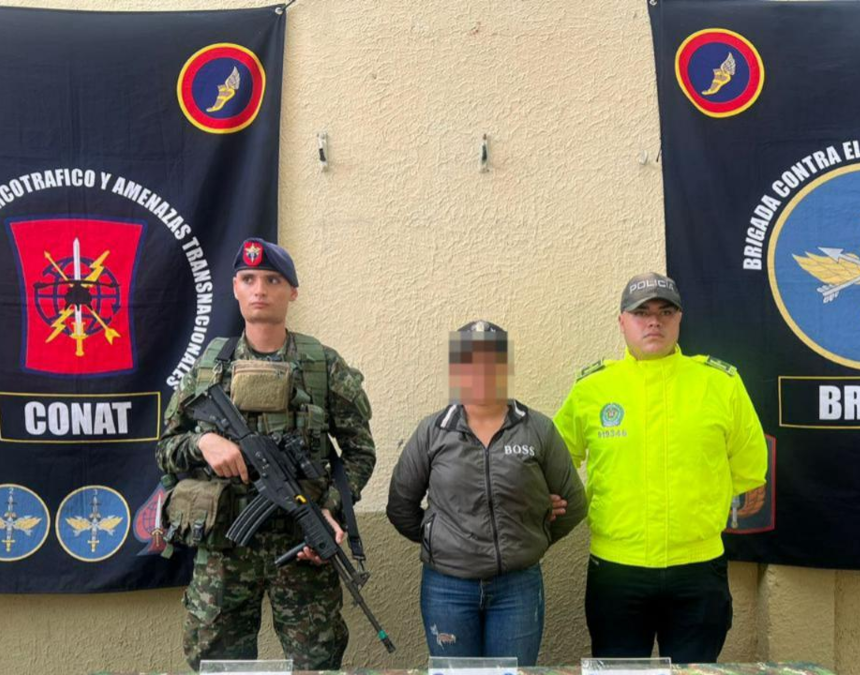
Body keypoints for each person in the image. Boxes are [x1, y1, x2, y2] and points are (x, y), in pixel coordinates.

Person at [156, 238, 376, 671]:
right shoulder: (208, 368)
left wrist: (328, 510)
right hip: (223, 550)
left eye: (273, 280)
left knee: (317, 663)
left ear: (292, 292)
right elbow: (165, 449)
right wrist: (202, 444)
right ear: (235, 288)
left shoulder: (322, 365)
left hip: (302, 547)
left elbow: (359, 452)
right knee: (217, 665)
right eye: (249, 279)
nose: (260, 289)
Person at [553, 272, 767, 664]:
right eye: (642, 312)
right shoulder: (591, 390)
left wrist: (725, 495)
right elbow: (557, 458)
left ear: (679, 318)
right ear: (622, 321)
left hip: (697, 569)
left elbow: (749, 461)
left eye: (665, 312)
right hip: (617, 569)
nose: (654, 321)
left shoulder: (720, 383)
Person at [386, 320, 588, 666]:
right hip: (447, 589)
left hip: (517, 588)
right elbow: (401, 506)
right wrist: (440, 540)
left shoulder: (538, 429)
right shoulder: (433, 432)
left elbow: (574, 503)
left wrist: (532, 536)